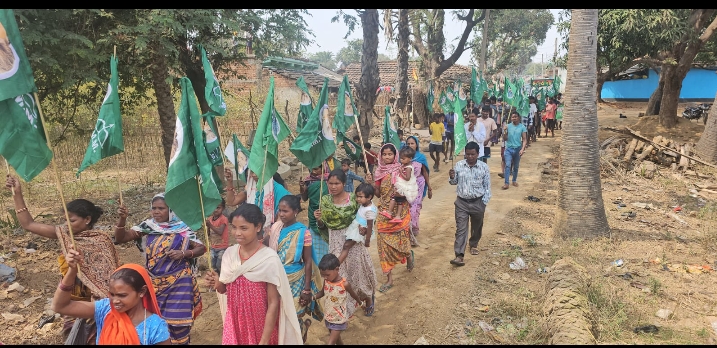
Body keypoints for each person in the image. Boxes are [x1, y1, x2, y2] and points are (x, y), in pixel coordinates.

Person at [5, 175, 119, 345]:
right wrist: (17, 193)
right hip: (71, 301)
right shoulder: (63, 233)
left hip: (97, 304)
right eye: (65, 219)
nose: (66, 224)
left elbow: (109, 275)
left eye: (71, 220)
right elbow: (28, 224)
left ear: (87, 220)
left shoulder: (102, 240)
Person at [205, 204, 303, 345]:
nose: (237, 233)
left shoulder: (268, 259)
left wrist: (263, 341)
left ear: (258, 227)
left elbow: (273, 303)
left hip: (260, 328)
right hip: (235, 325)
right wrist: (217, 283)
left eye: (243, 228)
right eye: (234, 227)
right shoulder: (229, 255)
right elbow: (225, 290)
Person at [114, 194, 205, 345]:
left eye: (161, 208)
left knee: (178, 323)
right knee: (156, 321)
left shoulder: (183, 229)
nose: (156, 212)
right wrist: (122, 219)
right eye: (154, 208)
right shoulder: (148, 227)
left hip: (179, 282)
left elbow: (201, 248)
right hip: (153, 284)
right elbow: (121, 238)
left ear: (171, 210)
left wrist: (183, 253)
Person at [51, 252, 170, 345]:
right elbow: (60, 306)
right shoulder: (105, 309)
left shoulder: (156, 327)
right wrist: (72, 271)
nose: (115, 300)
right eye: (112, 294)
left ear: (142, 291)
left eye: (122, 295)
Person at [315, 169, 376, 317]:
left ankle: (368, 299)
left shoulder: (354, 200)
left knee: (358, 274)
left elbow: (367, 215)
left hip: (352, 241)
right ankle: (344, 311)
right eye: (330, 183)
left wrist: (363, 232)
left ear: (344, 183)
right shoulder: (325, 201)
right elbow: (324, 227)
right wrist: (319, 220)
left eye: (337, 183)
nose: (333, 186)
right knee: (340, 276)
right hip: (335, 241)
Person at [264, 195, 323, 342]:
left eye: (285, 211)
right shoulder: (275, 228)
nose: (281, 214)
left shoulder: (304, 232)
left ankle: (300, 333)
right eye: (280, 210)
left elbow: (308, 261)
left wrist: (307, 289)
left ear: (296, 211)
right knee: (278, 313)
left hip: (295, 279)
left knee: (295, 314)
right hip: (276, 278)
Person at [373, 143, 415, 293]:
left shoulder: (402, 168)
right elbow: (378, 194)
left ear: (395, 155)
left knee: (402, 240)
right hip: (384, 211)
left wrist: (401, 194)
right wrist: (372, 184)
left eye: (390, 154)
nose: (387, 157)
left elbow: (410, 186)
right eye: (384, 154)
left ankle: (408, 255)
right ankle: (389, 278)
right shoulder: (378, 172)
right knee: (382, 244)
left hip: (400, 210)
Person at [448, 141, 492, 267]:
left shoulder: (484, 167)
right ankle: (459, 255)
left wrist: (483, 203)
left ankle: (474, 244)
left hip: (478, 201)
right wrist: (451, 177)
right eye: (467, 154)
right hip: (461, 202)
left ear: (478, 154)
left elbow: (487, 187)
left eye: (473, 154)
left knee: (477, 226)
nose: (470, 157)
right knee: (461, 229)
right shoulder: (459, 165)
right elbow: (453, 182)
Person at [313, 254, 367, 345]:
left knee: (331, 342)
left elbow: (354, 295)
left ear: (337, 269)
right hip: (329, 316)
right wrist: (312, 297)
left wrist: (361, 303)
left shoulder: (344, 284)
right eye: (323, 275)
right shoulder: (327, 281)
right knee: (338, 340)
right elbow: (322, 293)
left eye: (327, 275)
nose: (325, 277)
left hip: (338, 319)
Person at [225, 168, 291, 230]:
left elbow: (284, 216)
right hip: (253, 231)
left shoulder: (279, 190)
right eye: (252, 172)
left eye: (257, 171)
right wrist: (229, 182)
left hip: (271, 231)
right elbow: (232, 201)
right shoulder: (252, 189)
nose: (253, 175)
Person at [405, 135, 432, 247]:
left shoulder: (421, 157)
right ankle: (408, 228)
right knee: (407, 208)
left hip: (419, 185)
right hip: (407, 186)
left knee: (415, 208)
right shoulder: (404, 157)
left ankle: (413, 229)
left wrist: (429, 187)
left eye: (412, 143)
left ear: (416, 145)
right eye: (408, 143)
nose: (410, 145)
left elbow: (425, 172)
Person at [380, 147, 418, 223]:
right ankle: (397, 216)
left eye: (403, 159)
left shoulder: (408, 168)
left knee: (394, 196)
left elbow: (407, 178)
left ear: (410, 158)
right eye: (400, 158)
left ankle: (389, 212)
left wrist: (400, 172)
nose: (401, 160)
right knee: (399, 200)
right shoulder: (404, 165)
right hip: (404, 185)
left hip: (404, 186)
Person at [344, 183, 377, 247]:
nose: (358, 199)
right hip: (356, 226)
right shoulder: (364, 204)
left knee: (346, 246)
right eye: (357, 196)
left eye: (360, 197)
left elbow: (369, 226)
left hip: (360, 231)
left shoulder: (370, 210)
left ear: (369, 197)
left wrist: (367, 240)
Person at [503, 111, 528, 190]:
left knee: (516, 166)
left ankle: (514, 180)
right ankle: (506, 183)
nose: (514, 118)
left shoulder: (522, 127)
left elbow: (524, 139)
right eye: (512, 117)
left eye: (515, 117)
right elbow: (505, 139)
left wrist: (522, 149)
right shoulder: (507, 126)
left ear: (518, 118)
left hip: (518, 149)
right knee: (507, 165)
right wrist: (504, 132)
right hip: (509, 149)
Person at [207, 199, 229, 277]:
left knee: (219, 264)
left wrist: (210, 225)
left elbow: (220, 231)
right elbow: (208, 233)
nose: (215, 210)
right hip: (213, 247)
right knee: (213, 265)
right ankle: (216, 278)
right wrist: (207, 228)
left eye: (218, 207)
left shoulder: (223, 219)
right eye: (213, 207)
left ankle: (222, 278)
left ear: (223, 208)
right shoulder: (210, 219)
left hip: (222, 247)